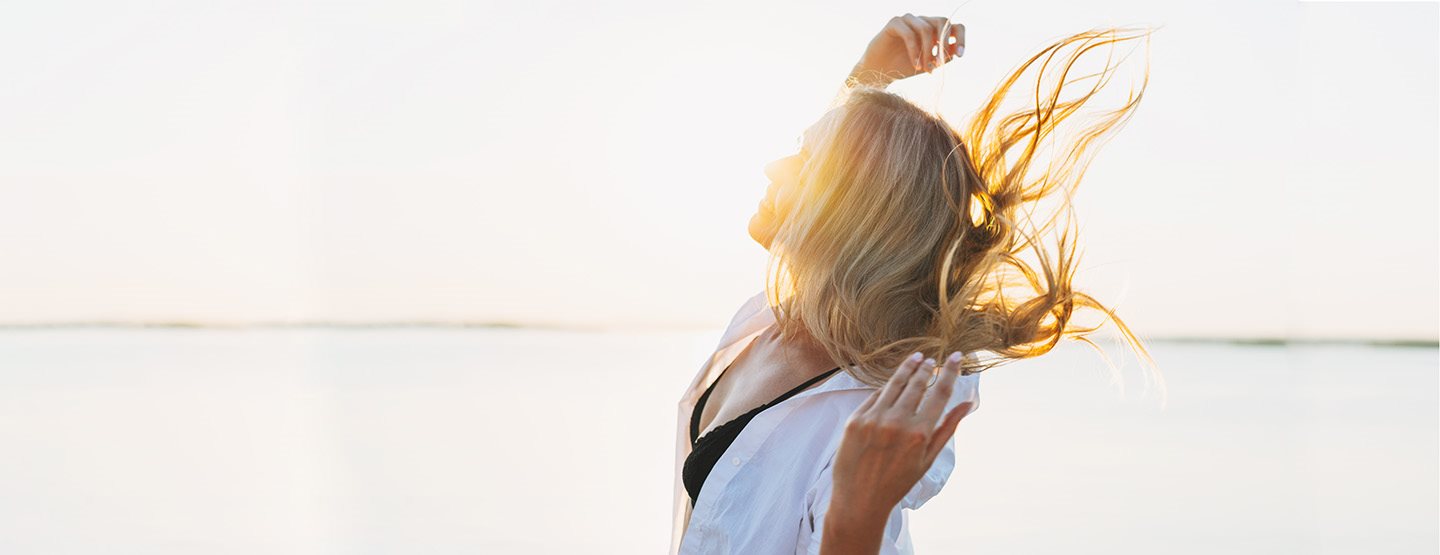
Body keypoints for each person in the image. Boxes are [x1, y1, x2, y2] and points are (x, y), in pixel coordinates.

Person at [669, 14, 1160, 554]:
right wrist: (868, 77)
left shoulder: (876, 406)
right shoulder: (778, 318)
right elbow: (852, 160)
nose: (771, 167)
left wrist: (862, 507)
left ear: (850, 213)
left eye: (804, 162)